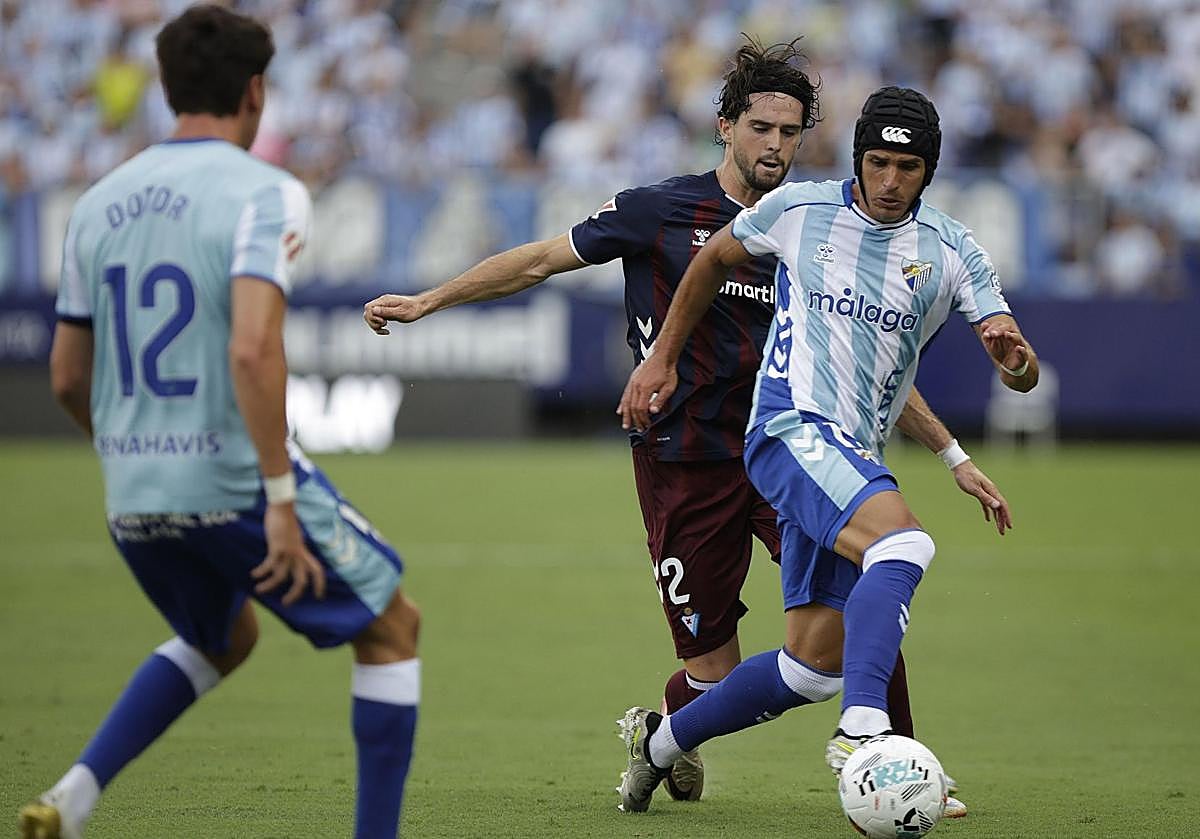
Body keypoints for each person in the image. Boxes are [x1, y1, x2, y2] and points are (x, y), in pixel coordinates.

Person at [364, 46, 1001, 811]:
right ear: (724, 127)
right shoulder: (662, 209)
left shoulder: (820, 225)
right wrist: (428, 301)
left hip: (792, 449)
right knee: (717, 675)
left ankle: (889, 758)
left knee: (871, 571)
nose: (775, 145)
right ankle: (670, 731)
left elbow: (874, 370)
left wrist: (949, 451)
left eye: (790, 132)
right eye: (760, 126)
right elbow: (537, 261)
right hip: (686, 459)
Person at [19, 7, 420, 839]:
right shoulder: (265, 190)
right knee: (391, 627)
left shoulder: (98, 201)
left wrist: (131, 452)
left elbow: (66, 374)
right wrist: (278, 497)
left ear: (166, 91)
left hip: (132, 487)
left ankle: (72, 797)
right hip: (233, 478)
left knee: (223, 633)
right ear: (256, 91)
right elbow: (252, 347)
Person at [614, 85, 1039, 814]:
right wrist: (662, 358)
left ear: (927, 171)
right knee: (903, 547)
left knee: (808, 667)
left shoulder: (952, 250)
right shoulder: (798, 211)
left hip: (854, 451)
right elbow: (711, 261)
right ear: (857, 158)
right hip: (789, 428)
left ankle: (658, 744)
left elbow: (1019, 366)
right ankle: (867, 735)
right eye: (876, 162)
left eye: (906, 169)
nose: (888, 181)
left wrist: (1013, 361)